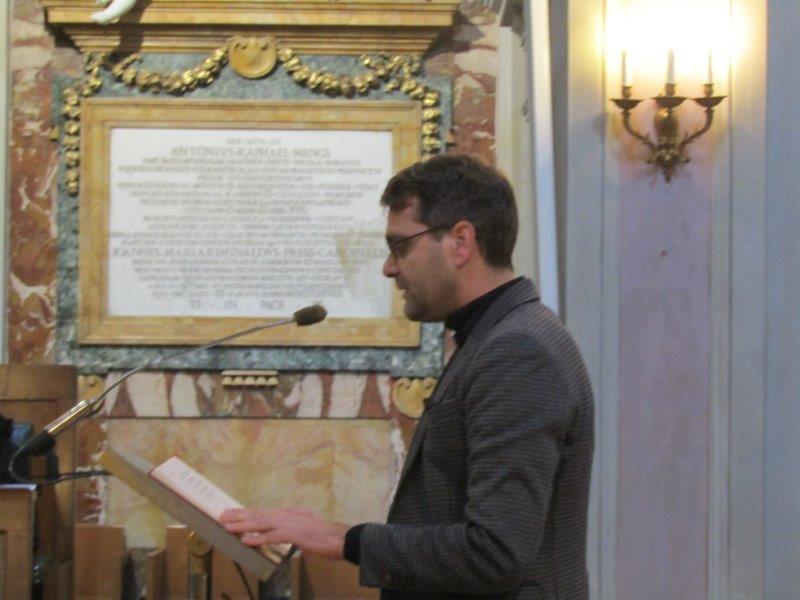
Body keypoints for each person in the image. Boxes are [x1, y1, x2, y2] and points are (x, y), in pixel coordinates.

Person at [220, 154, 594, 599]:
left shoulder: (517, 351)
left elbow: (495, 551)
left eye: (401, 247)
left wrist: (344, 540)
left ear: (460, 242)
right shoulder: (494, 335)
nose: (389, 268)